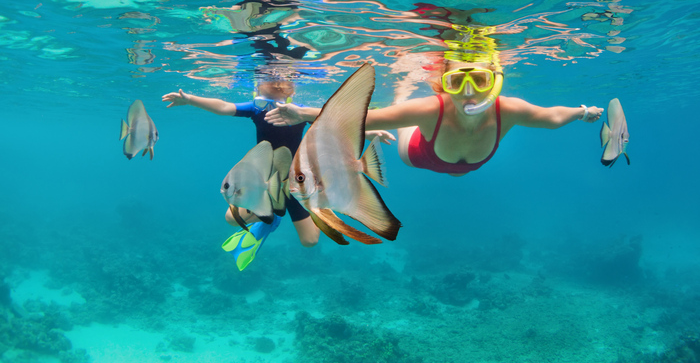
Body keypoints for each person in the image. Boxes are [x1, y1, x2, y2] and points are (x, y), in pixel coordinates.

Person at [265, 43, 604, 177]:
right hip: (418, 155)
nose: (469, 93)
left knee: (409, 111)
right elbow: (366, 117)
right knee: (402, 112)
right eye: (457, 82)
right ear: (445, 81)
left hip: (464, 161)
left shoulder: (509, 109)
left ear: (495, 80)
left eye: (481, 80)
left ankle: (404, 93)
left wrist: (580, 112)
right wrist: (304, 112)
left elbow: (550, 118)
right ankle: (402, 90)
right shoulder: (432, 109)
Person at [162, 81, 321, 246]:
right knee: (231, 218)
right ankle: (269, 216)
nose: (270, 109)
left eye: (279, 104)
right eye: (263, 102)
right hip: (262, 181)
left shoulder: (298, 112)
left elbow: (331, 115)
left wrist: (303, 113)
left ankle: (317, 208)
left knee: (309, 241)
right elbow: (223, 107)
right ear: (256, 94)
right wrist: (189, 100)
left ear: (291, 97)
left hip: (293, 181)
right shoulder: (255, 109)